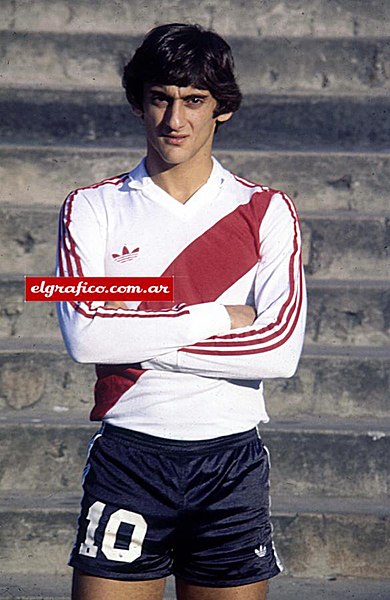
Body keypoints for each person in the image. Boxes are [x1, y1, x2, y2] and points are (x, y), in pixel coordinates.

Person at [56, 23, 307, 600]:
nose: (175, 120)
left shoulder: (267, 210)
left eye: (194, 100)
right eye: (160, 98)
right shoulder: (89, 207)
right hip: (129, 455)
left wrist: (135, 336)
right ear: (138, 103)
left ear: (222, 109)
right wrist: (218, 317)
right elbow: (84, 338)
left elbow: (281, 351)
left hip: (230, 460)